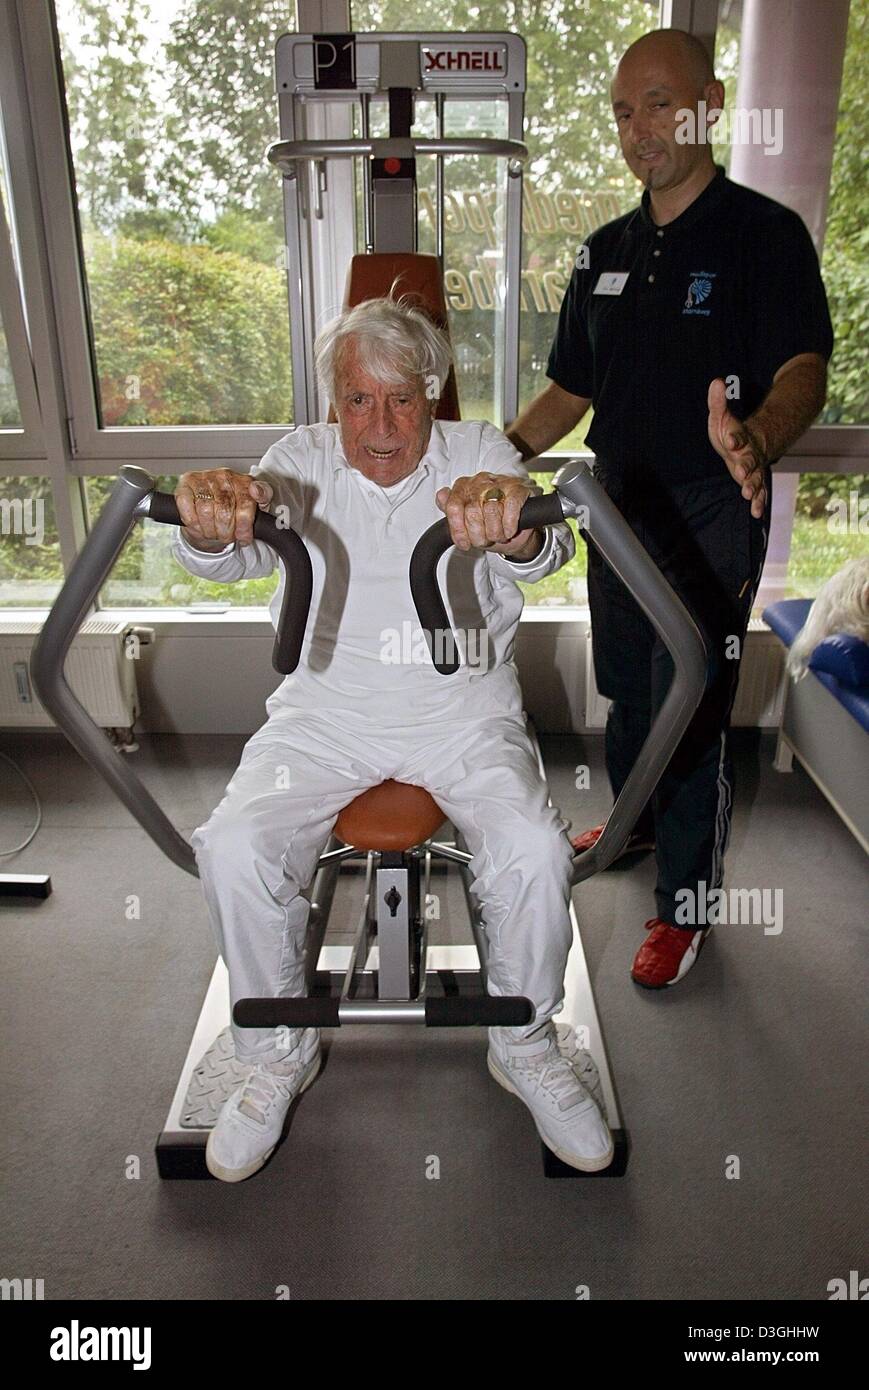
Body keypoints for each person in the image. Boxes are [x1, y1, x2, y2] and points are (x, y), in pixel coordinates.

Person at [171, 292, 612, 1182]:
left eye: (400, 399)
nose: (378, 425)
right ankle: (273, 1056)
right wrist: (209, 522)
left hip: (459, 702)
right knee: (234, 846)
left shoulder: (480, 452)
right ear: (334, 399)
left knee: (532, 848)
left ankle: (520, 1042)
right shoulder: (298, 461)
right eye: (357, 400)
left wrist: (510, 521)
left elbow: (544, 548)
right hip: (325, 705)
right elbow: (230, 551)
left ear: (433, 393)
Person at [507, 28, 833, 989]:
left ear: (707, 102)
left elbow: (801, 370)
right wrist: (495, 454)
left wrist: (755, 438)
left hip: (705, 510)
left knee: (691, 708)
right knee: (628, 691)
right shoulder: (605, 249)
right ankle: (639, 818)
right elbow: (570, 389)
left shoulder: (761, 235)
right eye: (620, 110)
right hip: (615, 507)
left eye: (656, 104)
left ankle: (684, 911)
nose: (636, 129)